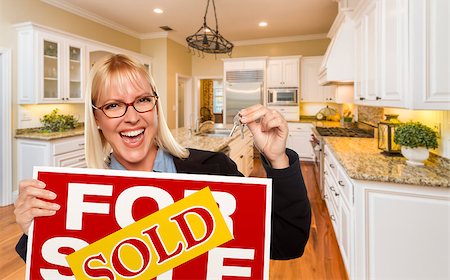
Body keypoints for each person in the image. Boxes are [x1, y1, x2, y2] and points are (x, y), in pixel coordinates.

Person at [14, 54, 311, 262]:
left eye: (143, 100)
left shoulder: (214, 170)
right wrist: (36, 233)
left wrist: (278, 159)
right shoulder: (75, 199)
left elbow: (287, 242)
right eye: (114, 105)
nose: (132, 117)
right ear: (97, 119)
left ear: (155, 106)